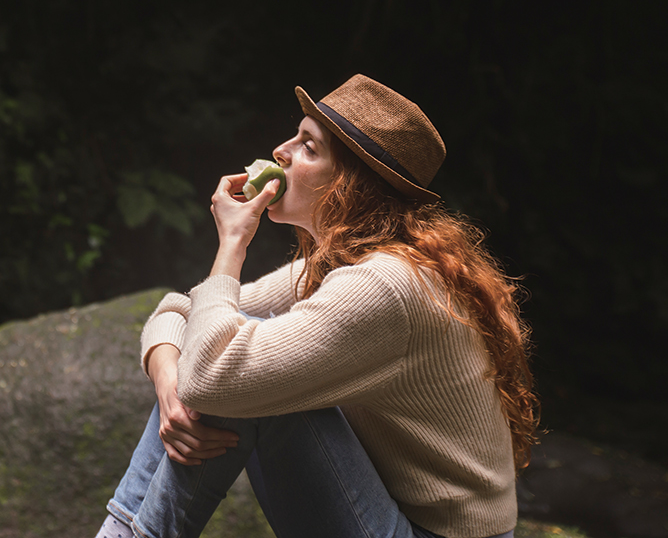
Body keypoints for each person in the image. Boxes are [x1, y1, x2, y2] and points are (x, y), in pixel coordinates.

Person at [95, 74, 538, 538]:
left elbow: (213, 374)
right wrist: (169, 386)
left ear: (350, 186)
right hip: (393, 514)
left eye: (308, 146)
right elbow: (177, 311)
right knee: (229, 348)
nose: (281, 150)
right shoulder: (341, 264)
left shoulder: (385, 285)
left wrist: (231, 245)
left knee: (236, 362)